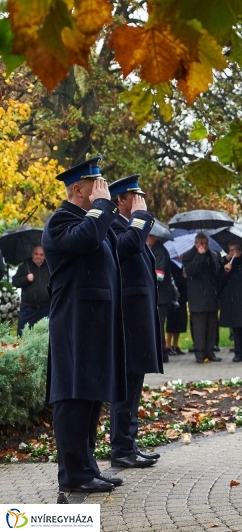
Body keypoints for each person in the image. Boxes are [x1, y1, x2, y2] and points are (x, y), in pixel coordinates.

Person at [42, 156, 126, 492]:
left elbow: (113, 244)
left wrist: (106, 209)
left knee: (91, 396)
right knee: (73, 397)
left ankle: (88, 466)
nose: (103, 190)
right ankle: (73, 475)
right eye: (97, 186)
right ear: (78, 189)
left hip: (94, 321)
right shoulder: (60, 222)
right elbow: (86, 238)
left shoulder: (91, 219)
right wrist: (103, 207)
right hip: (74, 322)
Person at [107, 174, 163, 468]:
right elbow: (126, 247)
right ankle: (121, 449)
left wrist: (139, 219)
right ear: (120, 201)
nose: (140, 202)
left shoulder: (129, 226)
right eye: (135, 197)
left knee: (134, 384)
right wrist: (140, 218)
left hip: (137, 317)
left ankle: (129, 444)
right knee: (126, 386)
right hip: (127, 318)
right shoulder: (115, 226)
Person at [183, 233, 223, 364]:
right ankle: (199, 353)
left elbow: (216, 271)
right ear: (196, 244)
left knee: (211, 326)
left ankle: (210, 351)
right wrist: (199, 256)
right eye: (201, 243)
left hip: (211, 295)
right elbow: (191, 271)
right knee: (199, 327)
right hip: (197, 297)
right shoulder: (188, 255)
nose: (204, 246)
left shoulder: (213, 254)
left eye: (206, 243)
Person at [147, 231, 176, 359]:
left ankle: (162, 353)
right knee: (156, 325)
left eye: (149, 236)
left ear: (156, 237)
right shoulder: (152, 249)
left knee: (158, 325)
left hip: (161, 296)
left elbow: (159, 275)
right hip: (157, 295)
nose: (146, 238)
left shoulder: (160, 251)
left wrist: (145, 274)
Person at [12, 245, 50, 336]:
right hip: (29, 308)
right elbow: (15, 282)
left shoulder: (49, 267)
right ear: (32, 254)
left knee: (47, 335)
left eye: (41, 255)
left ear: (44, 256)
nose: (38, 256)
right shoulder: (25, 266)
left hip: (46, 307)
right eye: (36, 254)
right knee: (23, 333)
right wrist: (26, 279)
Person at [166, 258, 188, 353]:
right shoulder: (170, 264)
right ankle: (167, 344)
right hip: (173, 297)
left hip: (182, 296)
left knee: (180, 321)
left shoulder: (182, 265)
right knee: (172, 321)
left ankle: (175, 344)